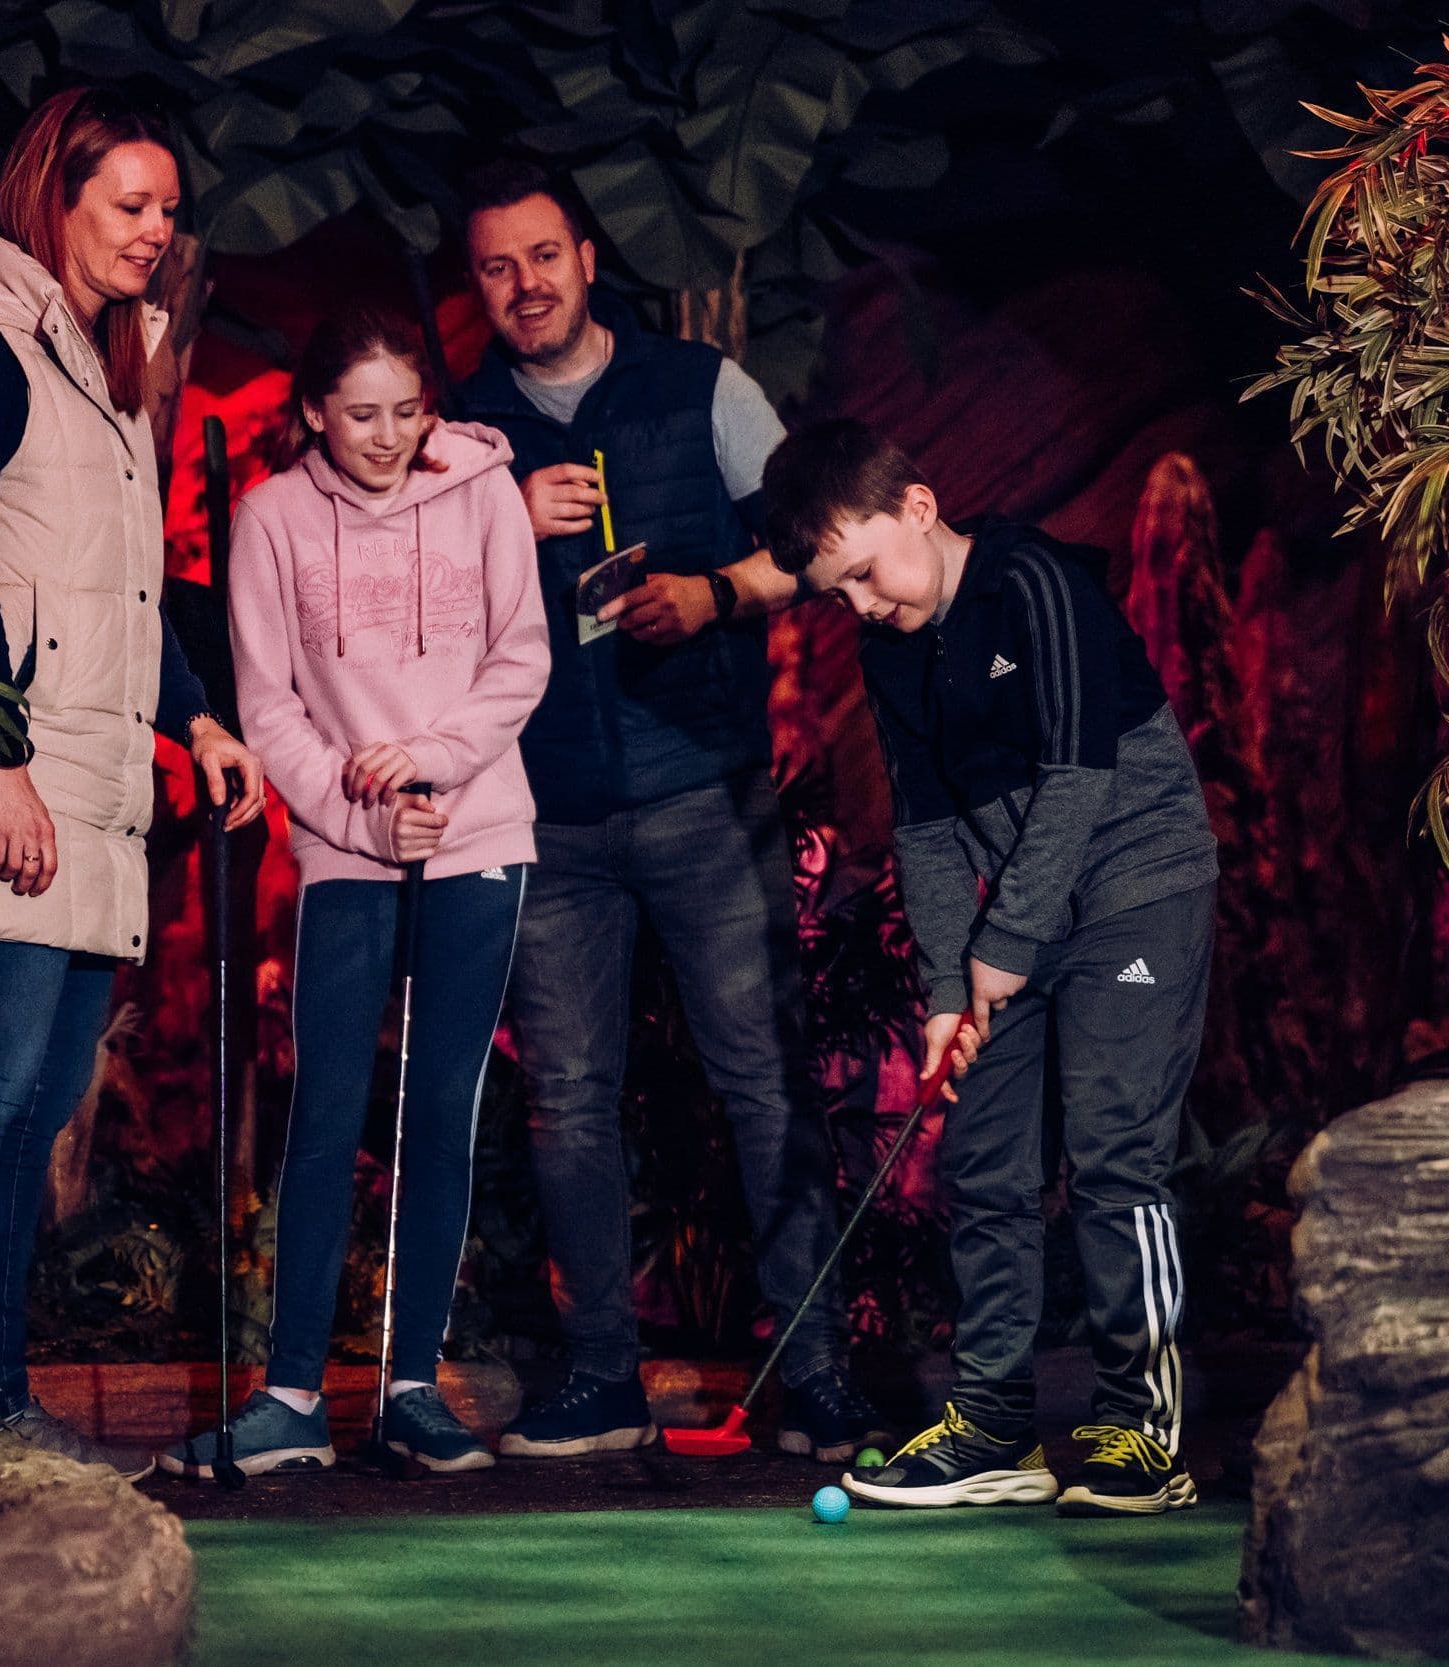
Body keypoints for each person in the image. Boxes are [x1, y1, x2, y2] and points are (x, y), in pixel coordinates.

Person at [452, 159, 887, 1463]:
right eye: (495, 266)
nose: (523, 284)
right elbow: (411, 610)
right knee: (570, 1100)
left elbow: (817, 542)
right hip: (544, 817)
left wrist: (714, 594)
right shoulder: (464, 433)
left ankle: (813, 1371)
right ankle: (601, 1376)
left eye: (543, 256)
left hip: (704, 792)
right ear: (476, 286)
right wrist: (492, 521)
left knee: (761, 1079)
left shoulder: (704, 388)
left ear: (588, 258)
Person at [0, 86, 265, 1478]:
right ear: (57, 195)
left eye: (169, 209)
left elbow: (120, 589)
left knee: (33, 1107)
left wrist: (200, 718)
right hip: (4, 772)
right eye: (129, 206)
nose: (158, 232)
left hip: (92, 779)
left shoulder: (99, 365)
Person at [760, 420, 1220, 1516]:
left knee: (1113, 1151)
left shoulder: (1033, 582)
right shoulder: (889, 650)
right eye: (839, 594)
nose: (862, 606)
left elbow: (1074, 778)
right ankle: (995, 1422)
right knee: (985, 1158)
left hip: (1133, 890)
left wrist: (998, 949)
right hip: (1012, 922)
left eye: (864, 574)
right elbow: (923, 828)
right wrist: (936, 993)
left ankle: (1137, 1426)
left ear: (917, 507)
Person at [162, 301, 550, 1477]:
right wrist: (358, 806)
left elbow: (521, 653)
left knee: (442, 1114)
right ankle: (287, 1398)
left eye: (406, 412)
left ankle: (410, 1386)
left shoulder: (484, 493)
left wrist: (433, 764)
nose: (386, 437)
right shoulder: (274, 517)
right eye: (361, 415)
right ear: (316, 414)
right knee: (325, 1115)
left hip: (476, 832)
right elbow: (265, 699)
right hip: (343, 850)